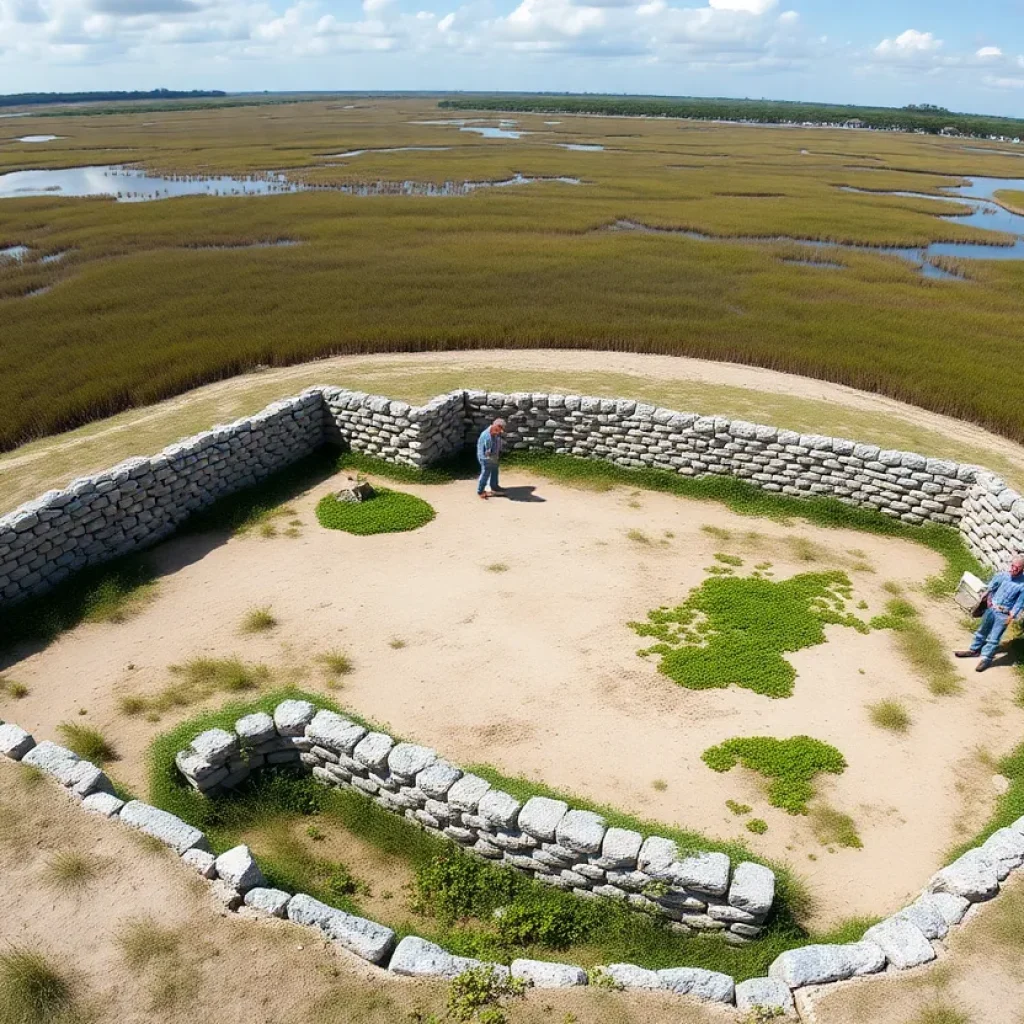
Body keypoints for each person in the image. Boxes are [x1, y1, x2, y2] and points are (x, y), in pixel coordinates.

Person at [955, 555, 1024, 672]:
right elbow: (991, 586)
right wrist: (986, 596)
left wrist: (1012, 615)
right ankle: (974, 650)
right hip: (991, 609)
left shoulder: (1022, 585)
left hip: (1003, 614)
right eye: (1012, 566)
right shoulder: (1003, 576)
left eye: (1016, 568)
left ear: (1022, 568)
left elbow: (1019, 603)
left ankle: (986, 658)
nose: (1013, 569)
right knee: (982, 631)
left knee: (994, 638)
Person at [476, 418, 506, 499]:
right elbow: (487, 451)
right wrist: (491, 457)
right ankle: (480, 491)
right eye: (499, 429)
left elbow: (497, 442)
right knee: (485, 473)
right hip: (486, 458)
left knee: (495, 471)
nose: (499, 432)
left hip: (494, 456)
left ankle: (494, 486)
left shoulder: (495, 431)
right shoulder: (486, 436)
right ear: (495, 426)